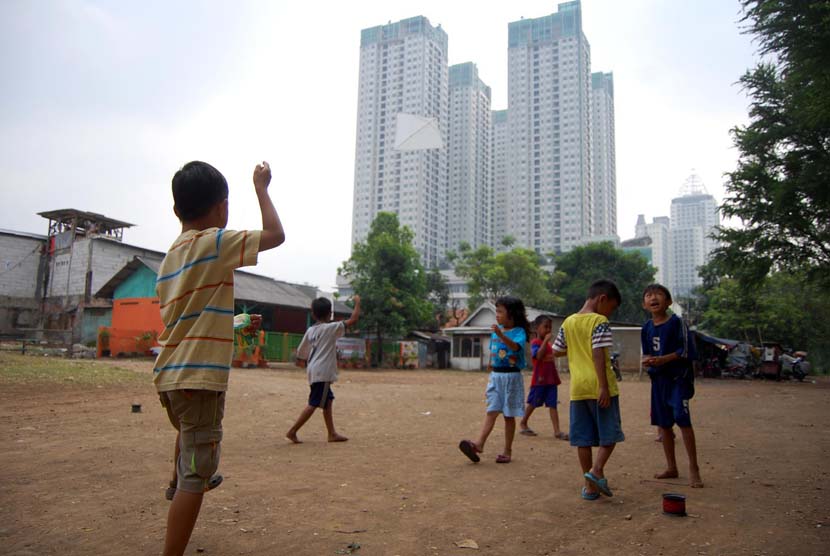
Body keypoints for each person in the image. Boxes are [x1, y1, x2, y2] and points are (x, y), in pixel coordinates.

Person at [154, 160, 285, 556]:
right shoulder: (214, 242)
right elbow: (276, 235)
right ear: (223, 209)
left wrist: (240, 320)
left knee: (188, 435)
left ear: (177, 210)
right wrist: (261, 187)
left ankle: (177, 483)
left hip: (170, 376)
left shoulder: (169, 260)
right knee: (198, 472)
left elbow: (193, 322)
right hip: (199, 380)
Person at [552, 279, 624, 501]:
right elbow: (598, 353)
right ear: (602, 299)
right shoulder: (599, 321)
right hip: (600, 386)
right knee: (610, 435)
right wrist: (603, 386)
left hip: (578, 388)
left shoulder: (568, 322)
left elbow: (556, 351)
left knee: (583, 438)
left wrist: (575, 348)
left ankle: (589, 487)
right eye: (611, 308)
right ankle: (596, 471)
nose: (609, 314)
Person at [641, 283, 703, 488]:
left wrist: (663, 360)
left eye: (658, 294)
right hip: (658, 381)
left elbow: (685, 351)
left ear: (668, 301)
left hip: (678, 379)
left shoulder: (677, 323)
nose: (653, 298)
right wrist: (649, 360)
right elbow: (649, 352)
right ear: (644, 304)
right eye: (649, 295)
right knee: (665, 425)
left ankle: (694, 468)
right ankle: (672, 467)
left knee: (683, 421)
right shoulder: (646, 328)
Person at [459, 296, 530, 464]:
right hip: (496, 376)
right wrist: (490, 364)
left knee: (508, 415)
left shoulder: (519, 331)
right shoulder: (496, 330)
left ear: (511, 314)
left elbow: (515, 347)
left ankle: (507, 451)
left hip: (511, 377)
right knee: (491, 411)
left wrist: (501, 335)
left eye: (500, 311)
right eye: (496, 311)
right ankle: (479, 444)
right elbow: (493, 349)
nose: (496, 315)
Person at [286, 295, 361, 443]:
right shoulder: (331, 328)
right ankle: (292, 431)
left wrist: (300, 361)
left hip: (314, 369)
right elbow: (353, 320)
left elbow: (302, 351)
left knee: (327, 400)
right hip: (323, 372)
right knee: (314, 403)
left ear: (313, 313)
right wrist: (358, 303)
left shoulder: (311, 330)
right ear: (330, 314)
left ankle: (331, 433)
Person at [519, 314, 568, 440]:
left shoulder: (549, 345)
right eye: (545, 327)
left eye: (550, 327)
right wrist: (545, 341)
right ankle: (523, 422)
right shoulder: (535, 343)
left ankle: (557, 431)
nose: (548, 330)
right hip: (539, 380)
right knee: (533, 403)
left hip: (551, 379)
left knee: (553, 405)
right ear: (537, 328)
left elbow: (555, 354)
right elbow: (538, 356)